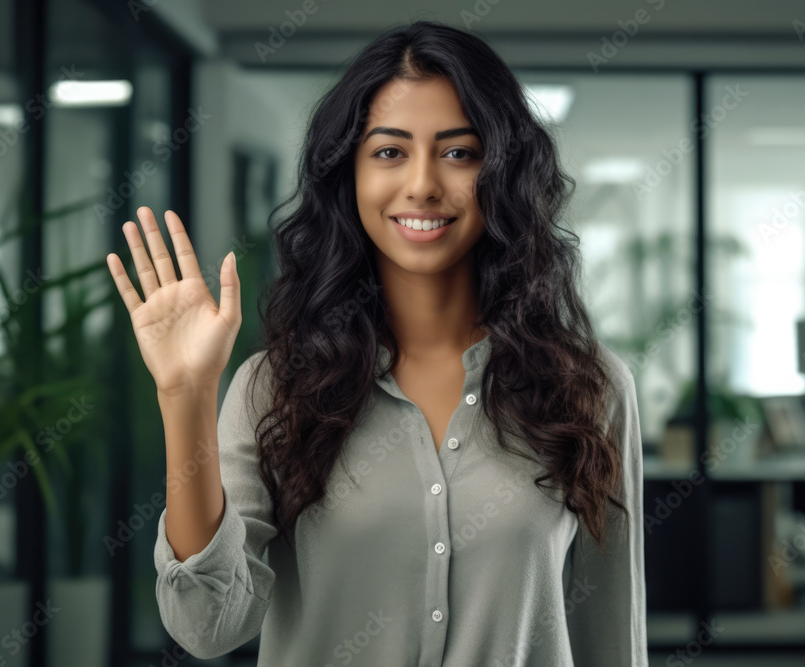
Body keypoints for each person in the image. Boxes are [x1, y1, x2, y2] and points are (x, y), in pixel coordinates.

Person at [106, 19, 648, 667]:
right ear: (349, 177)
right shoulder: (271, 388)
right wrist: (185, 394)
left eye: (459, 152)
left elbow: (608, 632)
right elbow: (206, 625)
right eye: (390, 152)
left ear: (503, 173)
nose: (422, 184)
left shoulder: (590, 388)